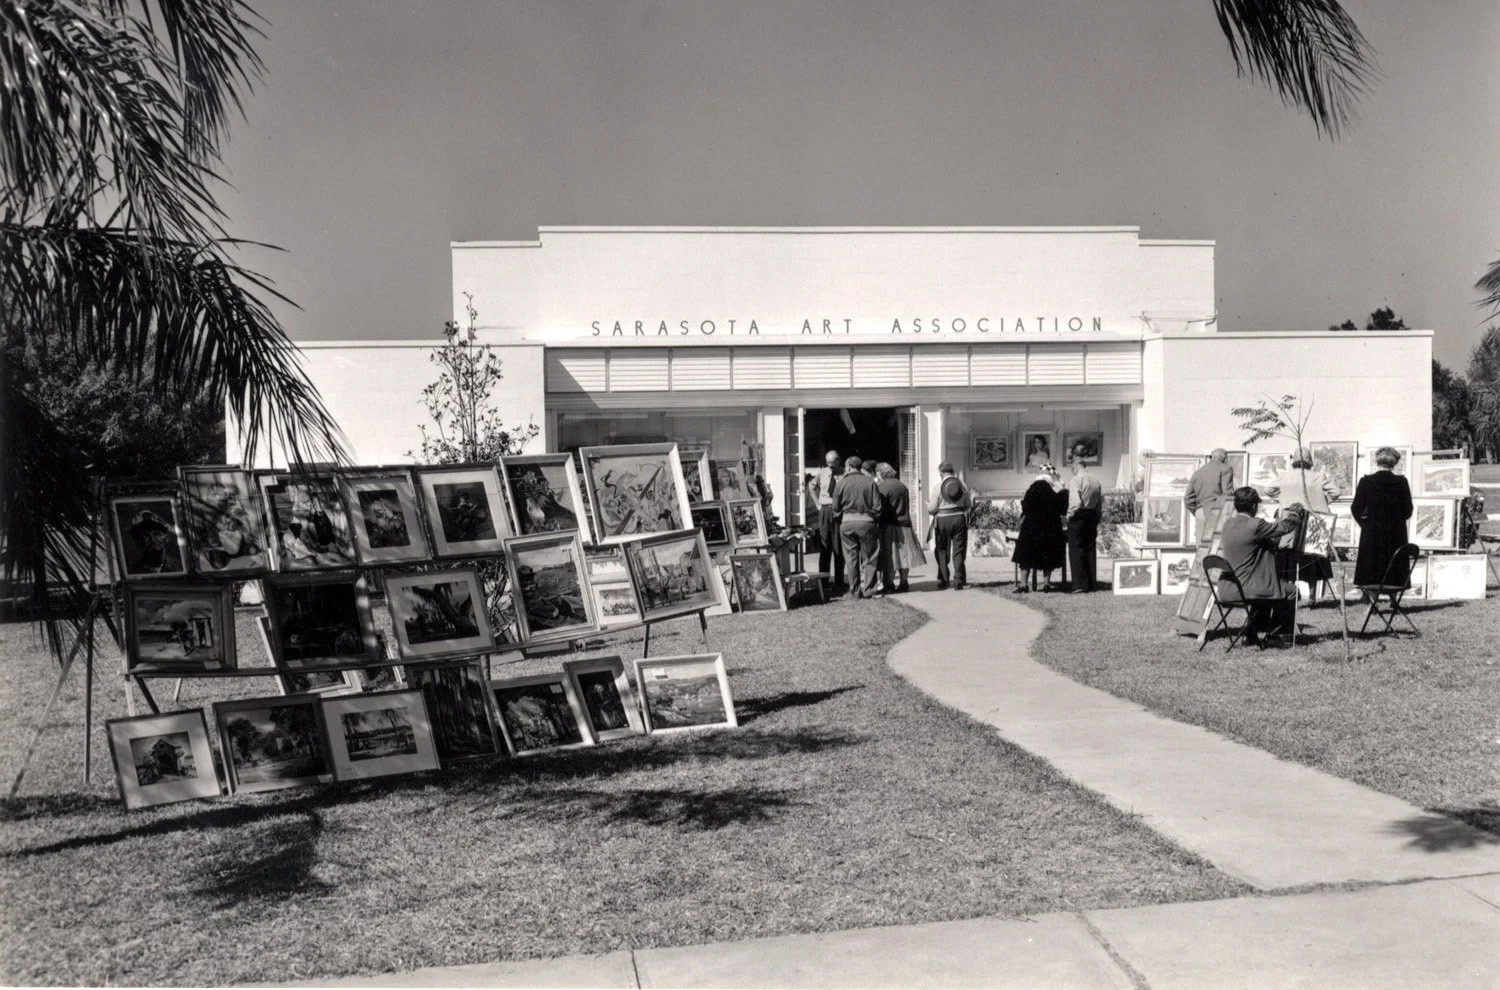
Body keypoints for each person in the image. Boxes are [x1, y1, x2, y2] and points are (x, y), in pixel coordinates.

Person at [1217, 487, 1305, 647]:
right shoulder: (1255, 525)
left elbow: (1252, 545)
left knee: (1266, 591)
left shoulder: (1228, 524)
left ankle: (1251, 633)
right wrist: (1294, 514)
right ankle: (1273, 635)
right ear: (1253, 507)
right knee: (1292, 592)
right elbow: (1284, 528)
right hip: (1247, 587)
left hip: (1227, 587)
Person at [1264, 448, 1339, 596]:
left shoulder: (1285, 476)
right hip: (1314, 518)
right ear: (1309, 460)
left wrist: (1283, 501)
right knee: (1312, 555)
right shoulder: (1319, 476)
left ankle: (1290, 592)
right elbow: (1336, 492)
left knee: (1288, 555)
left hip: (1290, 516)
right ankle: (1312, 596)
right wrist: (1323, 503)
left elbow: (1268, 490)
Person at [1351, 446, 1414, 588]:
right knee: (1395, 565)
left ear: (1377, 462)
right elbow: (1408, 510)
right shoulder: (1401, 482)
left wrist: (1365, 524)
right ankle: (1394, 599)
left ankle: (1372, 602)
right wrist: (1397, 521)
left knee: (1371, 568)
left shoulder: (1366, 482)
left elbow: (1356, 508)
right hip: (1396, 531)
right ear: (1394, 463)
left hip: (1371, 531)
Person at [831, 455, 884, 598]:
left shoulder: (841, 483)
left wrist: (842, 517)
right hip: (867, 522)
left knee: (850, 558)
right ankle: (869, 589)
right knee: (870, 557)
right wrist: (871, 517)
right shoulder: (870, 482)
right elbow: (878, 507)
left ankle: (854, 591)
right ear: (860, 467)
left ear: (848, 467)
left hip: (847, 522)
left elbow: (835, 508)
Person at [1011, 463, 1068, 592]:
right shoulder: (1055, 489)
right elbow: (1062, 510)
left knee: (1026, 555)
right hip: (1051, 527)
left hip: (1031, 527)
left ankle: (1024, 585)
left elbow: (1025, 507)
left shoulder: (1032, 488)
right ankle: (1046, 584)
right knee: (1048, 554)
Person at [875, 462, 925, 593]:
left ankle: (889, 584)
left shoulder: (881, 487)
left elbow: (880, 508)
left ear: (880, 473)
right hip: (905, 524)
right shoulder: (902, 485)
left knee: (889, 556)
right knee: (904, 555)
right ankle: (904, 582)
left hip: (889, 525)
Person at [925, 461, 971, 590]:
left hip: (942, 520)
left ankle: (944, 579)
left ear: (941, 472)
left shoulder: (938, 487)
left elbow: (931, 509)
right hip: (959, 518)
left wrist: (927, 505)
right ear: (953, 471)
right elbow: (968, 505)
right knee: (959, 550)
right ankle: (959, 580)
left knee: (941, 550)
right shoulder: (962, 485)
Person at [1065, 451, 1104, 592]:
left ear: (1075, 468)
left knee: (1076, 550)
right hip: (1092, 515)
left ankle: (1079, 585)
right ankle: (1091, 583)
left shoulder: (1076, 480)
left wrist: (1069, 516)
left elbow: (1075, 502)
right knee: (1090, 549)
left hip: (1079, 516)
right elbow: (1100, 503)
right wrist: (1097, 516)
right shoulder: (1096, 480)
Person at [807, 450, 846, 591]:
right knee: (825, 546)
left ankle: (839, 581)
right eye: (828, 462)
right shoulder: (822, 472)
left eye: (832, 462)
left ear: (839, 461)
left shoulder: (845, 474)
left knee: (838, 547)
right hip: (825, 510)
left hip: (838, 511)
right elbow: (811, 486)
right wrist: (817, 503)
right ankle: (823, 581)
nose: (830, 465)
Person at [1185, 448, 1235, 540]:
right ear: (1225, 459)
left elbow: (1188, 498)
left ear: (1212, 456)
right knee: (1218, 546)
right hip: (1217, 512)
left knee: (1201, 548)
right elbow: (1228, 494)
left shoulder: (1198, 472)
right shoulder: (1225, 468)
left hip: (1200, 512)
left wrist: (1197, 511)